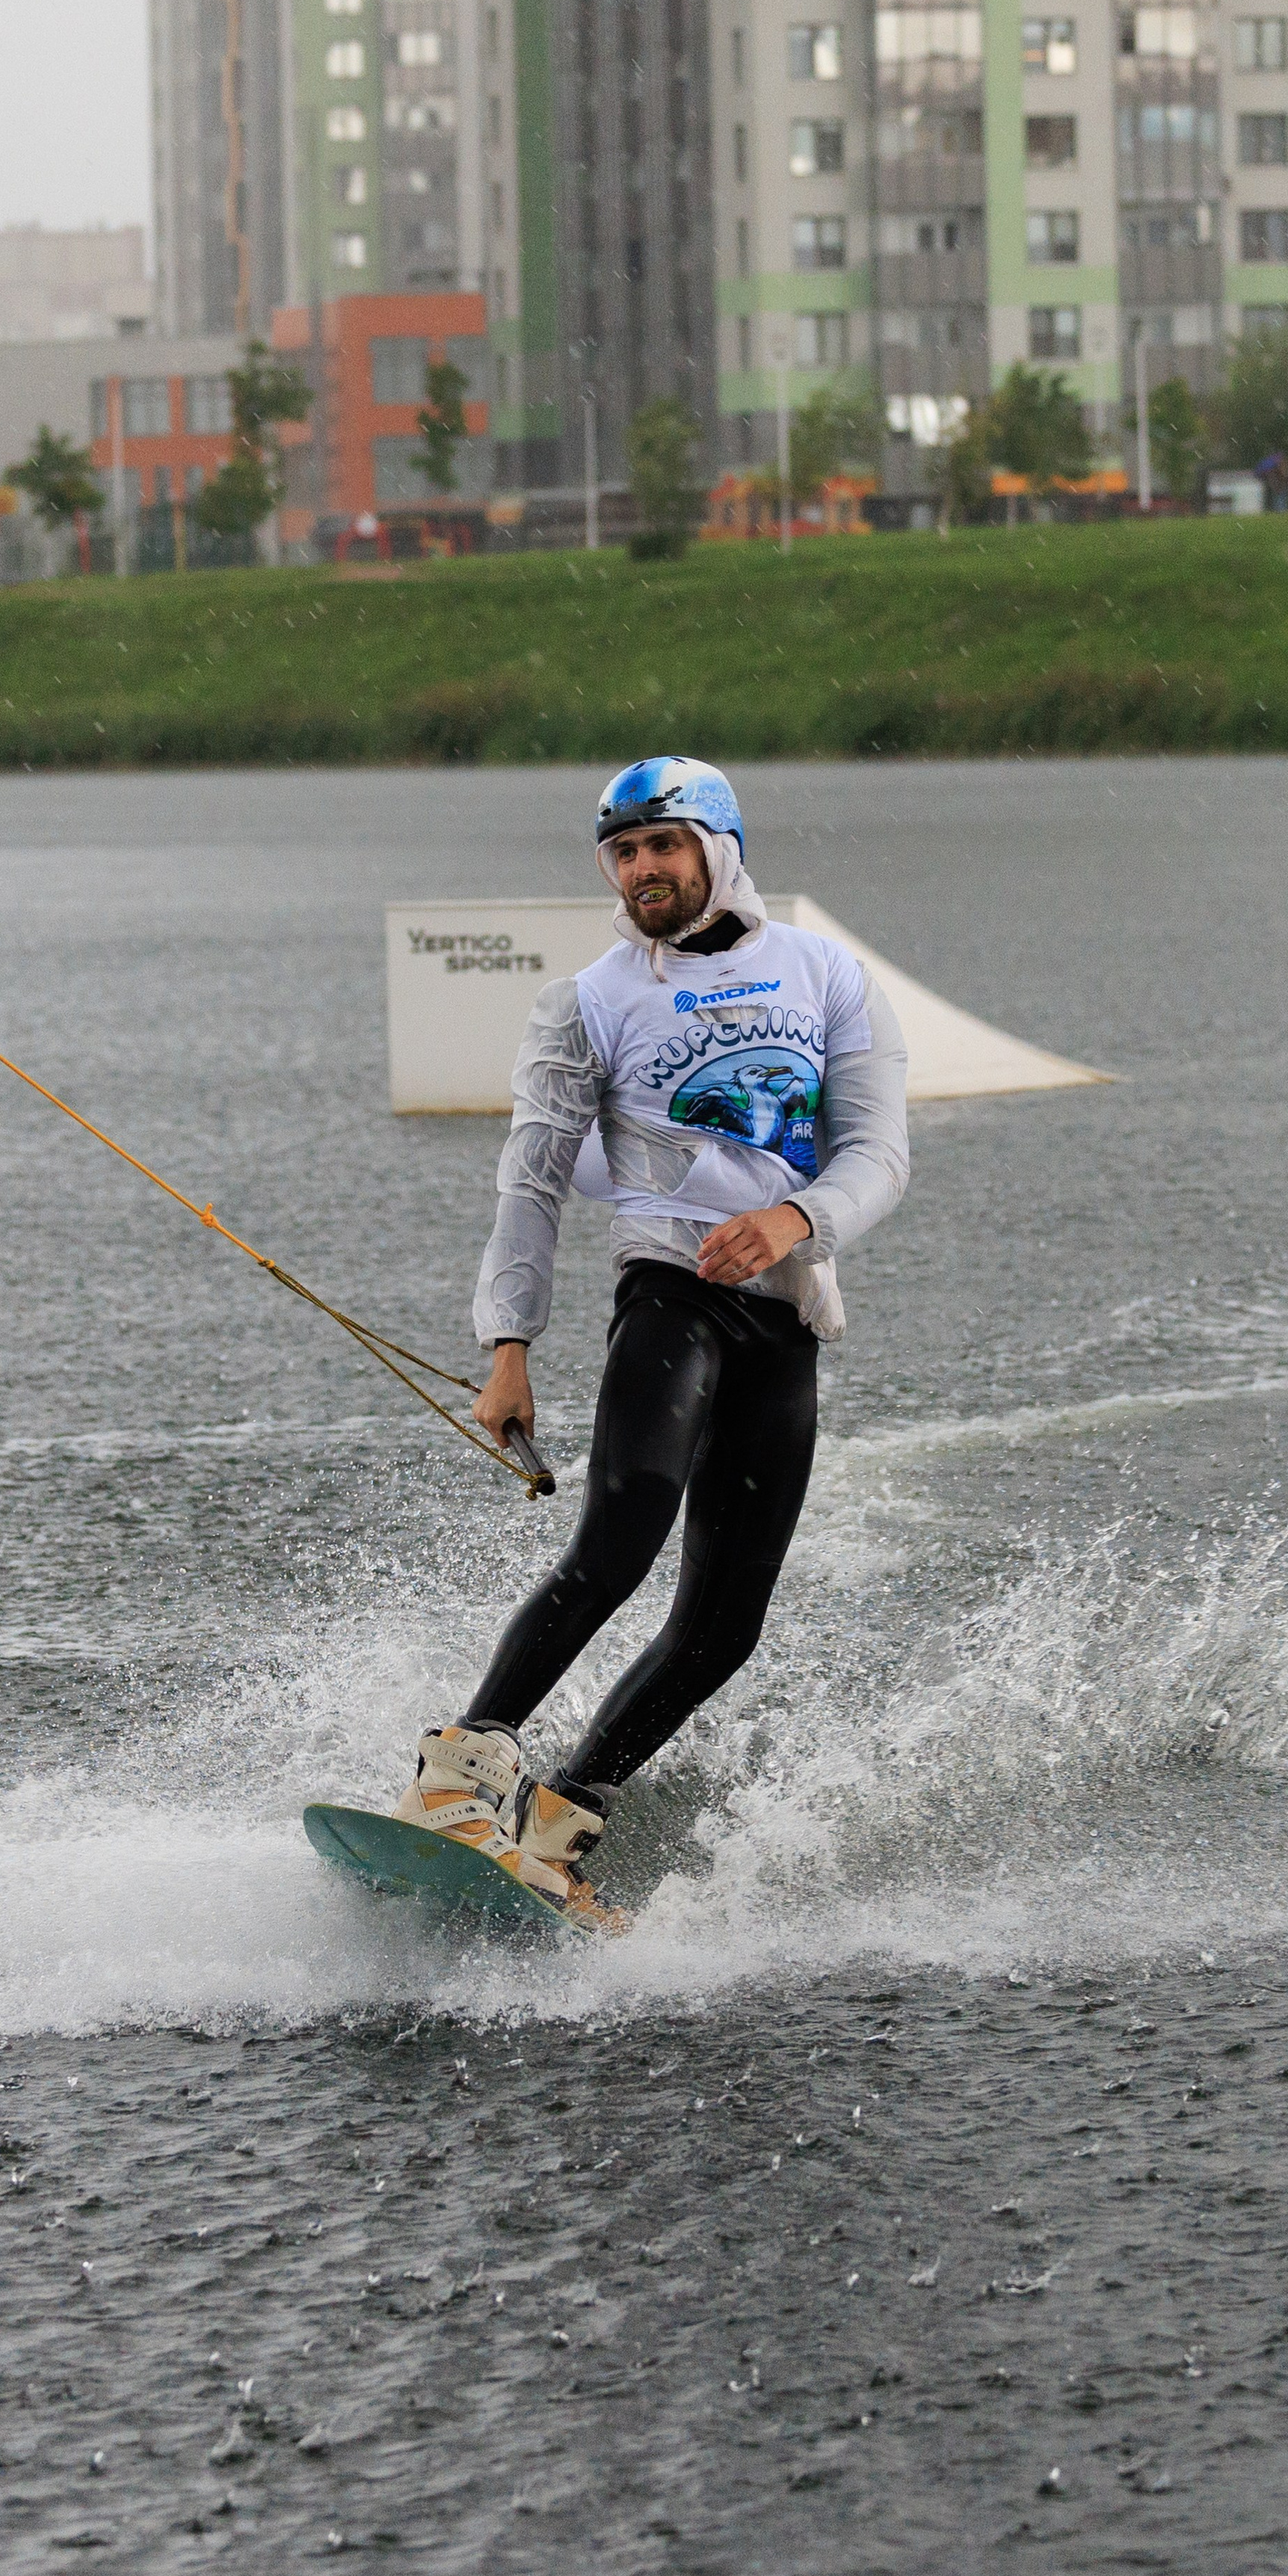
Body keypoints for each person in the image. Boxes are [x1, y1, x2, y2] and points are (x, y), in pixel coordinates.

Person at [394, 757, 910, 1922]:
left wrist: (795, 1218)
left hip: (782, 1315)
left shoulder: (828, 973)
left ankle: (558, 1824)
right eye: (623, 854)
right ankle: (460, 1770)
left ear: (717, 848)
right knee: (620, 1535)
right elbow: (530, 1180)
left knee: (724, 1627)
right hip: (667, 1291)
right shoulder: (587, 1000)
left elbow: (880, 1152)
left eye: (662, 845)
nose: (642, 871)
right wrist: (509, 1343)